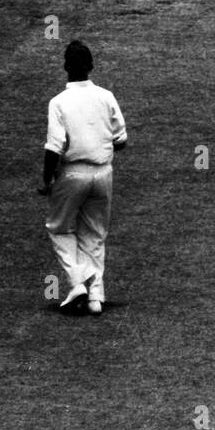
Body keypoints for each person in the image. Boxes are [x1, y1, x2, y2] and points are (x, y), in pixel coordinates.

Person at [37, 40, 128, 315]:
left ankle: (78, 282)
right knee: (95, 234)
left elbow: (54, 146)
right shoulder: (106, 96)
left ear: (65, 67)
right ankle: (95, 297)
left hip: (72, 173)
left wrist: (46, 179)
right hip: (103, 173)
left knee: (59, 228)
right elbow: (121, 140)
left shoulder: (59, 102)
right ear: (91, 66)